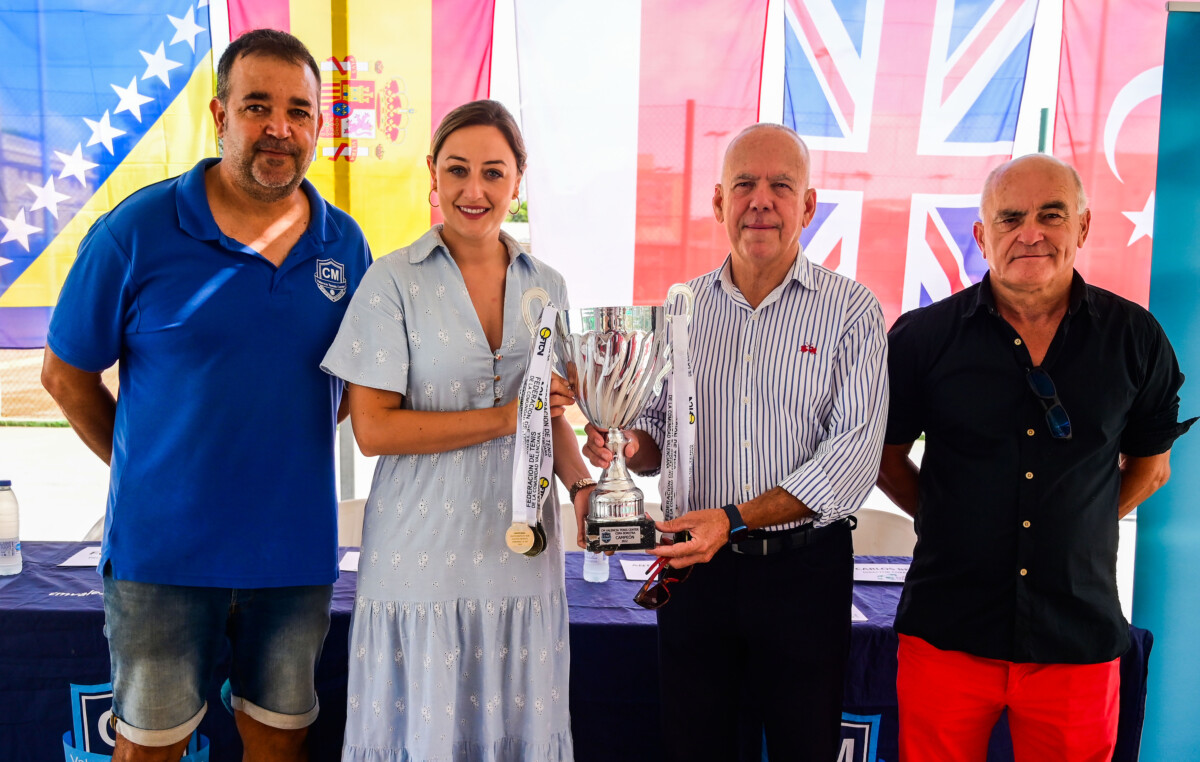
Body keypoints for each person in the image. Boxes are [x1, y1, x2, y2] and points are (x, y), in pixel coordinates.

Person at [40, 29, 371, 762]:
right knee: (150, 750)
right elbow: (65, 376)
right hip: (163, 558)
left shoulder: (346, 247)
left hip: (293, 557)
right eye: (258, 106)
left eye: (299, 110)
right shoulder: (136, 230)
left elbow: (352, 391)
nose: (279, 127)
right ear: (220, 116)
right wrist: (146, 468)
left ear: (318, 125)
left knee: (280, 743)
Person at [583, 123, 888, 762]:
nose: (761, 201)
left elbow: (853, 458)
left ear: (807, 205)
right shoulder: (680, 308)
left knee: (804, 749)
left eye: (781, 185)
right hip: (697, 575)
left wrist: (734, 520)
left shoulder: (852, 311)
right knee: (696, 749)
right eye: (743, 184)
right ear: (719, 202)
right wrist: (624, 444)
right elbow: (661, 435)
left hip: (805, 574)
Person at [877, 154, 1194, 761]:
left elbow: (1151, 470)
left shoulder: (1136, 338)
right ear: (981, 235)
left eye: (1051, 215)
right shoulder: (922, 339)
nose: (1031, 233)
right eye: (1010, 217)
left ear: (1082, 226)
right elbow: (887, 460)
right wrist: (950, 518)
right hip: (948, 630)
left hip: (1077, 637)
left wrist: (1077, 520)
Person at [320, 99, 594, 762]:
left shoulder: (546, 283)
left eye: (494, 173)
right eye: (458, 170)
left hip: (524, 562)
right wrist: (508, 416)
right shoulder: (391, 280)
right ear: (433, 176)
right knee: (426, 730)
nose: (475, 190)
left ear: (518, 181)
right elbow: (374, 430)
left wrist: (584, 484)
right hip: (423, 556)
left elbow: (549, 415)